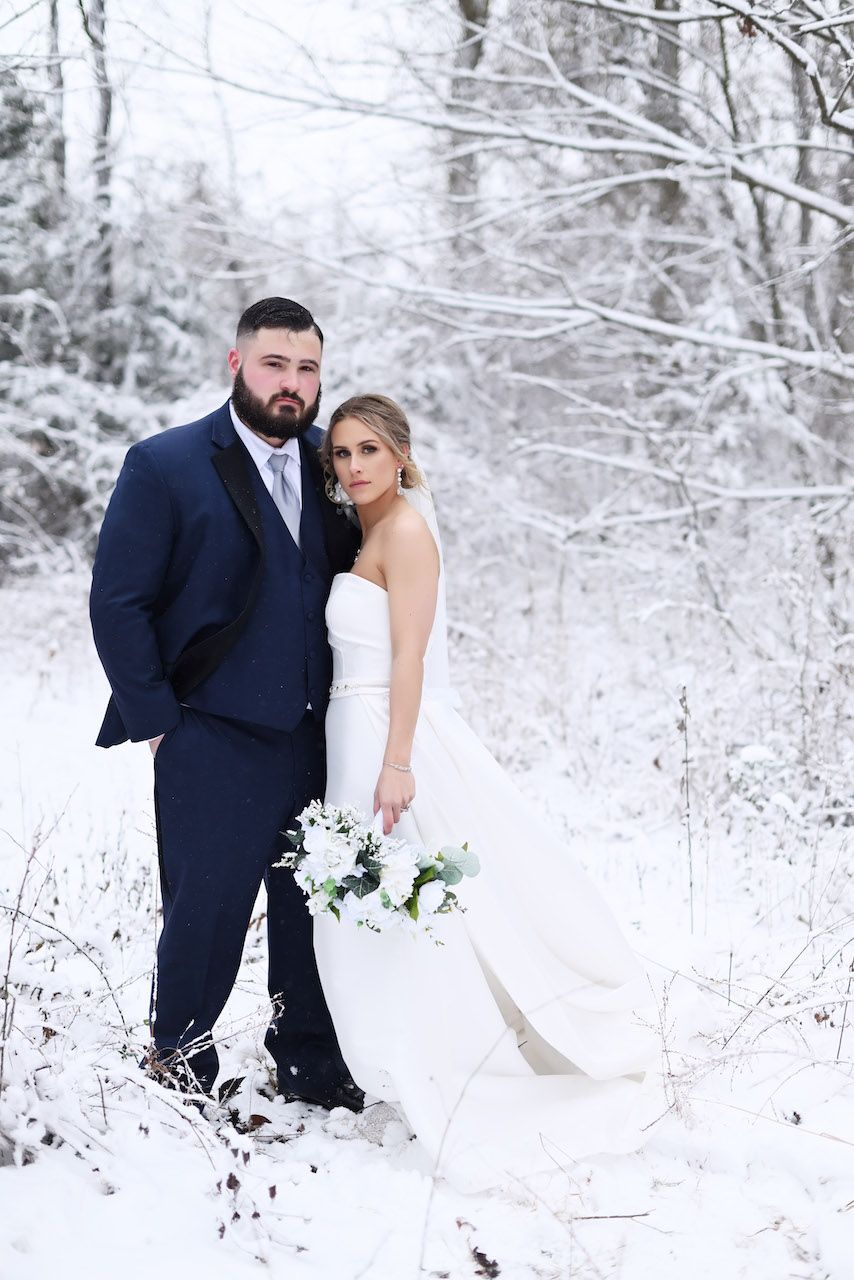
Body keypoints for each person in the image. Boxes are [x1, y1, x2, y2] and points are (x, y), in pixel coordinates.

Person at [313, 394, 661, 1190]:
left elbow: (410, 658)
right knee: (371, 900)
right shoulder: (366, 528)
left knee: (408, 900)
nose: (355, 466)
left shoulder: (405, 533)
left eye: (369, 450)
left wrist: (397, 761)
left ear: (401, 452)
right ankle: (396, 1060)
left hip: (381, 730)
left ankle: (445, 1059)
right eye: (341, 454)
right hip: (348, 727)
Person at [89, 297, 363, 1110]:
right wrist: (159, 727)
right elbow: (118, 603)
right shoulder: (165, 464)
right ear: (237, 363)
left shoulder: (334, 465)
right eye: (276, 364)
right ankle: (181, 1073)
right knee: (205, 913)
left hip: (319, 736)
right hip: (208, 735)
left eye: (308, 368)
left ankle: (313, 1066)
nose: (293, 383)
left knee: (314, 910)